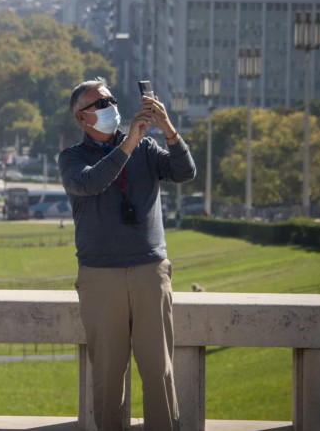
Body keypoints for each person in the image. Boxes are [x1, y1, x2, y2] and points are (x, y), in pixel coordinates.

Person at [59, 78, 196, 431]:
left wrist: (167, 128)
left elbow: (184, 172)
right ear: (81, 118)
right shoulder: (71, 158)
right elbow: (90, 183)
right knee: (107, 374)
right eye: (99, 104)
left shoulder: (147, 149)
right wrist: (128, 146)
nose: (110, 108)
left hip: (150, 272)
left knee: (159, 370)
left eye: (111, 100)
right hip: (100, 276)